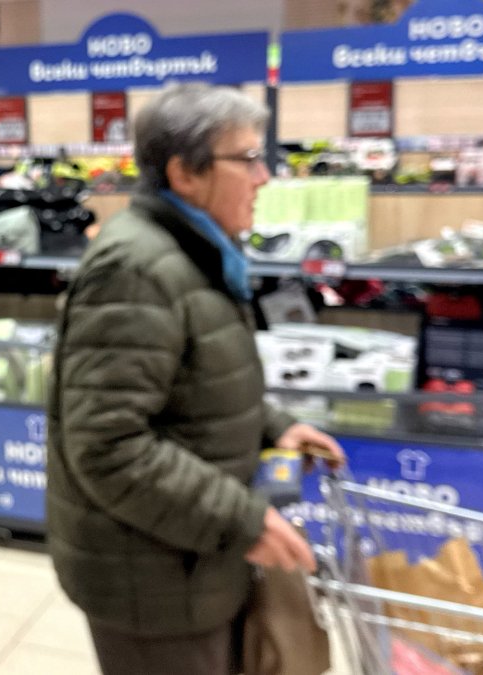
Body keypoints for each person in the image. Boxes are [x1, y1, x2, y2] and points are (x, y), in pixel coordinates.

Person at [45, 83, 346, 674]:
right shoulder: (137, 270)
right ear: (185, 173)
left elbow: (198, 385)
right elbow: (108, 447)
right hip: (151, 583)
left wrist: (275, 427)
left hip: (190, 558)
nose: (264, 177)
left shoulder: (196, 253)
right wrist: (241, 520)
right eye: (248, 158)